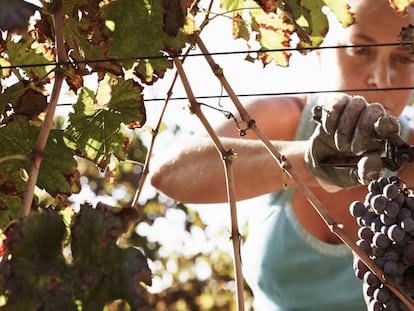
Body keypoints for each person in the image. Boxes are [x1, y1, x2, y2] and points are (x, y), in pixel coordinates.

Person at [150, 0, 414, 310]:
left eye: (403, 57)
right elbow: (169, 173)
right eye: (361, 50)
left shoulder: (409, 157)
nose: (380, 79)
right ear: (321, 49)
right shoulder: (285, 122)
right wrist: (310, 163)